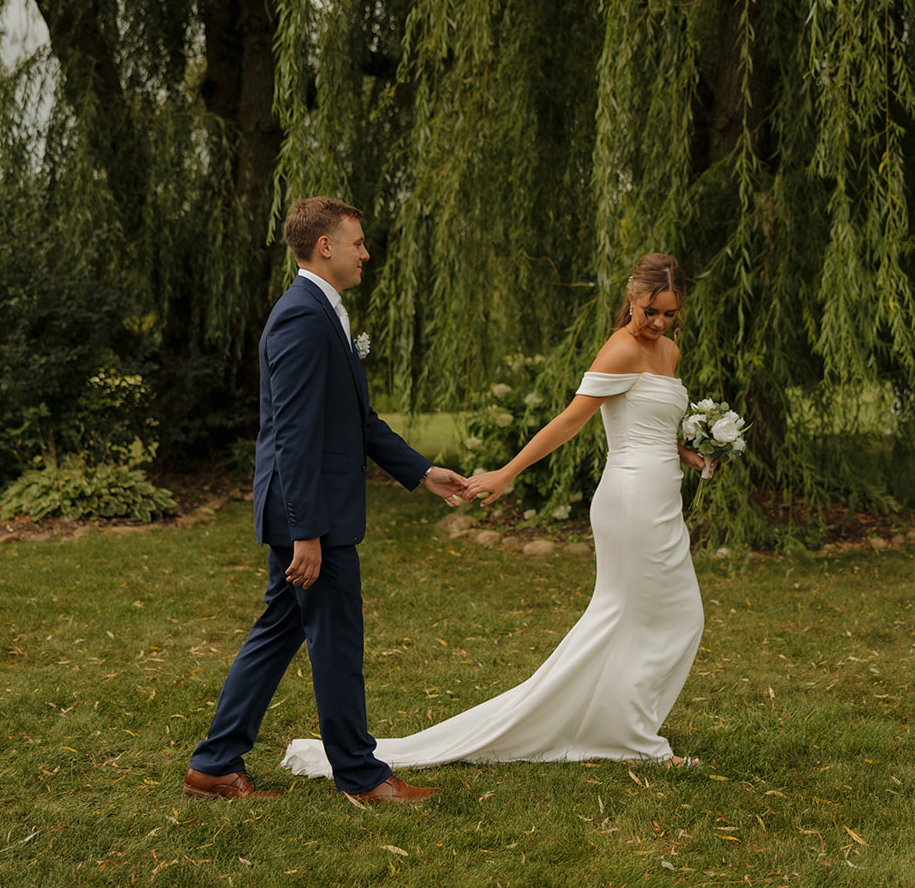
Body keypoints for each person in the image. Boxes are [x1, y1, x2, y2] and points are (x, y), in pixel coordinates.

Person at [281, 252, 710, 779]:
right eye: (651, 311)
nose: (660, 323)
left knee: (647, 616)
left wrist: (687, 448)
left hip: (664, 495)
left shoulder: (669, 350)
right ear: (631, 298)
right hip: (632, 499)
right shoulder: (621, 348)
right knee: (659, 614)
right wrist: (506, 473)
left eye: (669, 313)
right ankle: (634, 736)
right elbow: (568, 423)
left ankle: (623, 726)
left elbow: (654, 415)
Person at [184, 196, 467, 805]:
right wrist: (306, 531)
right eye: (358, 241)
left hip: (308, 513)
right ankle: (363, 779)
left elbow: (356, 421)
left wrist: (422, 472)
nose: (367, 252)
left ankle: (213, 765)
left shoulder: (322, 312)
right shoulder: (302, 317)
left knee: (278, 631)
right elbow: (293, 433)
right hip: (312, 516)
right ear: (325, 247)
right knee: (336, 640)